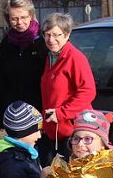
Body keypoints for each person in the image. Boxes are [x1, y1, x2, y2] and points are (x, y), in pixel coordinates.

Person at [39, 12, 96, 166]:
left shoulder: (75, 58)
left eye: (56, 35)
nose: (51, 40)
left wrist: (62, 113)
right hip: (52, 132)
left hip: (72, 132)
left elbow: (88, 91)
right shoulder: (49, 57)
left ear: (67, 34)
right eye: (47, 34)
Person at [0, 0, 46, 131]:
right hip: (14, 112)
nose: (19, 23)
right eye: (14, 19)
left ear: (31, 15)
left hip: (38, 111)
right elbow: (0, 81)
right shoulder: (7, 43)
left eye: (23, 17)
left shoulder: (43, 40)